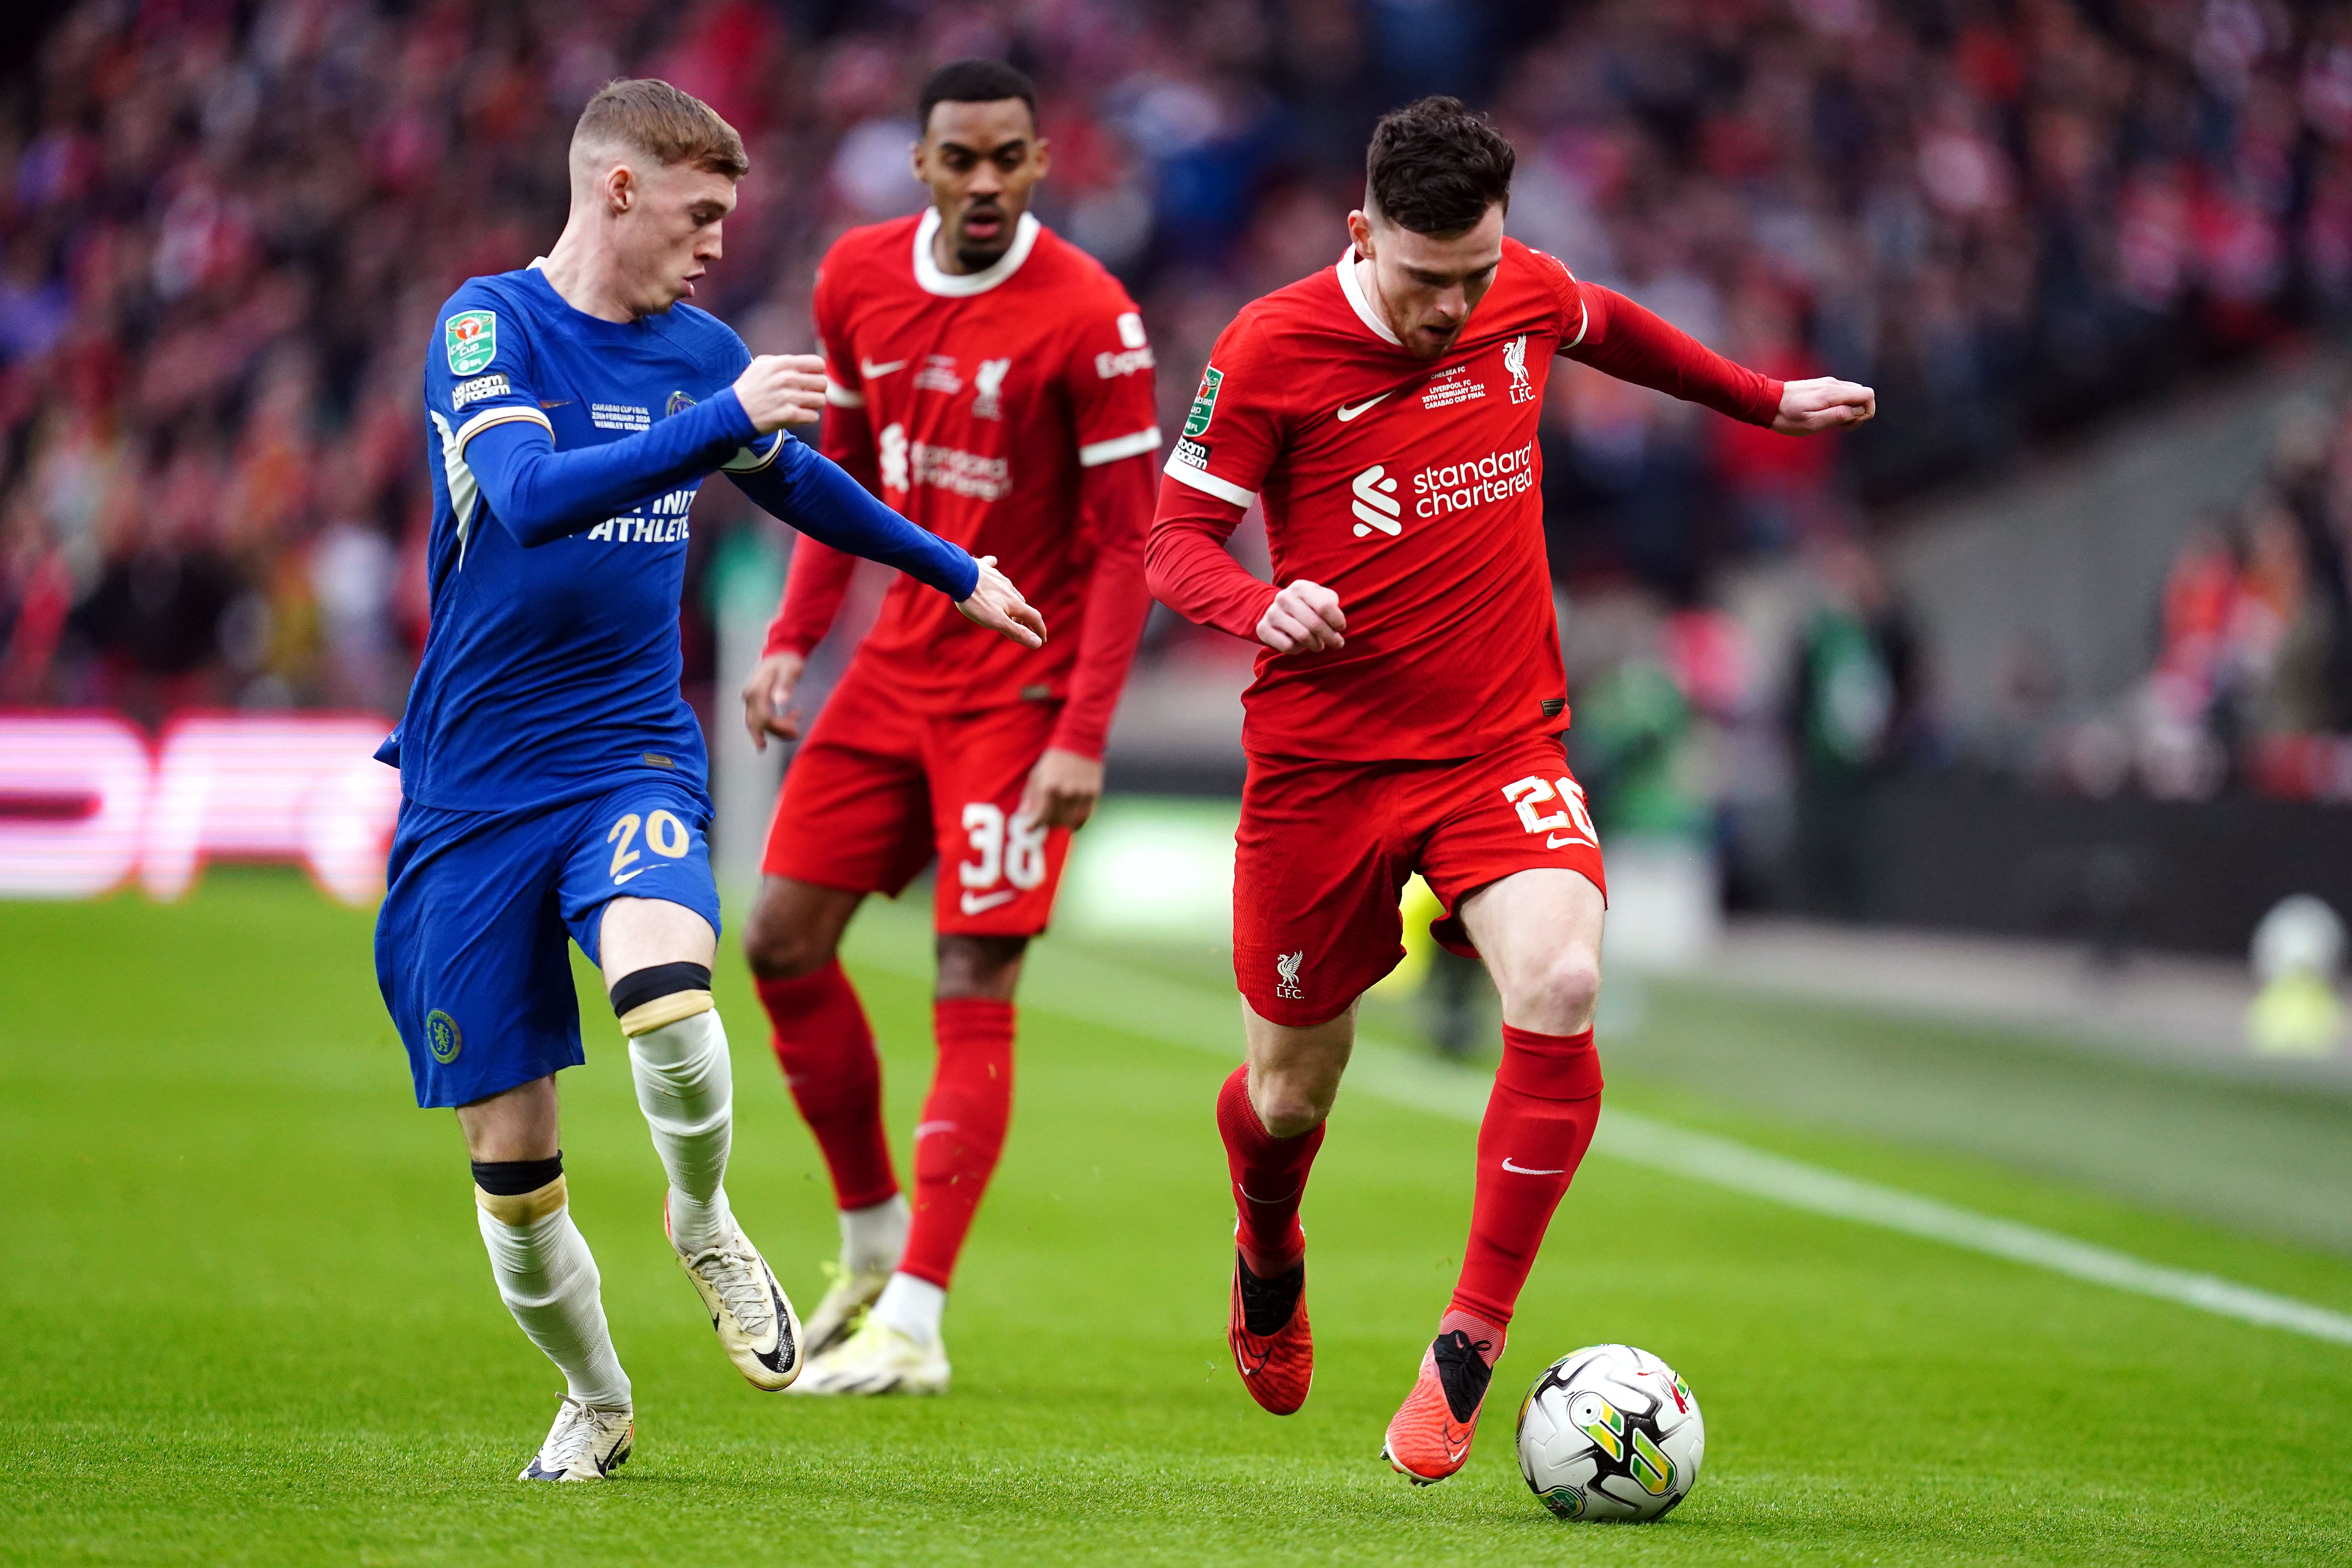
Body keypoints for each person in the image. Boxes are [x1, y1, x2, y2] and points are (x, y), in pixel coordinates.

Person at [1144, 96, 1872, 1484]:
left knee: (1560, 983)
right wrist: (1255, 605)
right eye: (1427, 281)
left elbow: (1619, 329)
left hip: (1499, 749)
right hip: (1322, 766)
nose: (1457, 306)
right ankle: (1265, 1238)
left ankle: (1466, 1349)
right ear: (1362, 236)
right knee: (1289, 1093)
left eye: (1477, 273)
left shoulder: (1514, 289)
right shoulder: (1267, 346)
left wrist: (1763, 399)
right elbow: (1173, 539)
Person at [371, 78, 1044, 1483]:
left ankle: (702, 1215)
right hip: (470, 788)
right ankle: (596, 1395)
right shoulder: (487, 325)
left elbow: (796, 482)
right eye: (700, 212)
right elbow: (537, 494)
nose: (717, 242)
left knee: (669, 993)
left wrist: (957, 568)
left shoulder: (700, 351)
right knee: (513, 1160)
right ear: (617, 189)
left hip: (628, 751)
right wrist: (721, 414)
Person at [735, 58, 1158, 1395]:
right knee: (779, 941)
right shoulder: (855, 275)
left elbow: (1130, 548)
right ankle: (869, 1232)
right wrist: (795, 641)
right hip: (890, 673)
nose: (985, 182)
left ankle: (915, 1319)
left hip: (1016, 694)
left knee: (973, 981)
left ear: (1042, 164)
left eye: (1010, 159)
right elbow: (834, 479)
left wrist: (1083, 732)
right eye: (961, 158)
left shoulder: (1090, 316)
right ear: (919, 163)